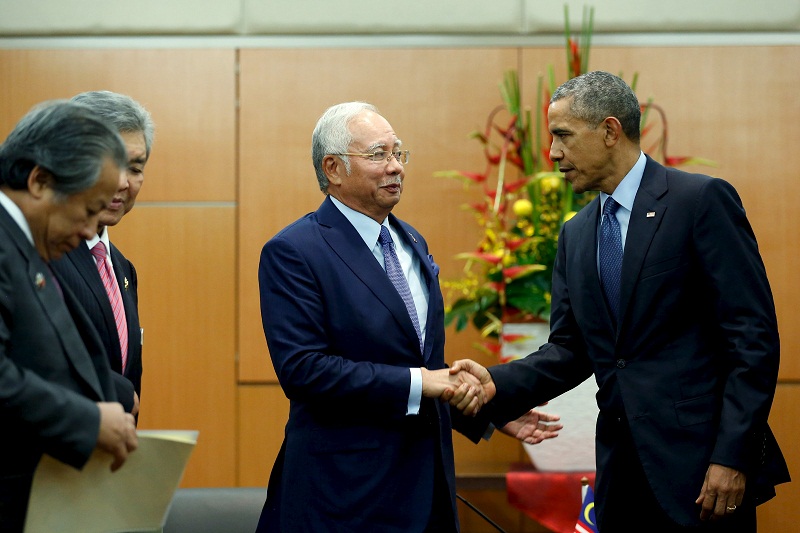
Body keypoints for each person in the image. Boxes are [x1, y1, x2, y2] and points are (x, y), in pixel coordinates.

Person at [449, 71, 790, 532]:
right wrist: (494, 383)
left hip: (703, 472)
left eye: (563, 136)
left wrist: (733, 455)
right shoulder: (576, 233)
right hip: (620, 479)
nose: (553, 154)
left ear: (610, 131)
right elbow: (570, 349)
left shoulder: (699, 202)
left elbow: (752, 340)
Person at [256, 102, 562, 532]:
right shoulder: (294, 251)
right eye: (379, 155)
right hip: (344, 496)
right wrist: (424, 380)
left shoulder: (409, 240)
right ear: (334, 168)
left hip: (425, 490)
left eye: (399, 153)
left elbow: (418, 359)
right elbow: (305, 370)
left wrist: (487, 411)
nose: (396, 167)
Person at [0, 100, 139, 531]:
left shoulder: (26, 248)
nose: (88, 232)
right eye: (87, 210)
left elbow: (40, 352)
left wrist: (111, 390)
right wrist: (88, 419)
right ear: (40, 181)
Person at [51, 91, 154, 419]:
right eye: (109, 164)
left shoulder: (123, 268)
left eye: (135, 168)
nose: (123, 182)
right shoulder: (40, 252)